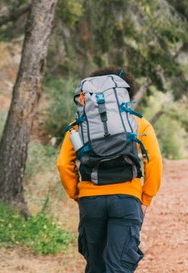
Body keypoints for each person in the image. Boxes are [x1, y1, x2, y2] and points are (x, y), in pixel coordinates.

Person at [57, 67, 163, 273]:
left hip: (91, 200)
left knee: (95, 265)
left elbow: (63, 164)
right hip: (126, 199)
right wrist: (146, 198)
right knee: (119, 266)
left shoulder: (79, 125)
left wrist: (77, 194)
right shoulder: (138, 122)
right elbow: (155, 161)